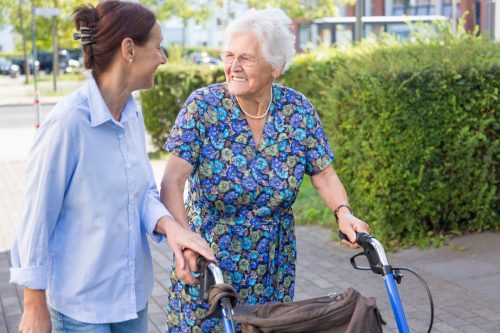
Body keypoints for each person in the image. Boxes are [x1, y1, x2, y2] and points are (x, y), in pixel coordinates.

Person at [9, 1, 214, 332]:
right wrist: (33, 305)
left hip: (131, 299)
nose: (163, 58)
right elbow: (36, 218)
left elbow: (143, 192)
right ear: (129, 49)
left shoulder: (131, 114)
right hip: (81, 308)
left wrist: (174, 229)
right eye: (158, 47)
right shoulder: (68, 124)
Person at [161, 7, 370, 332]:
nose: (233, 66)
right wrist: (184, 240)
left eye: (246, 58)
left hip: (274, 264)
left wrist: (343, 213)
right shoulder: (203, 107)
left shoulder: (297, 110)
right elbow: (172, 181)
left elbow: (324, 174)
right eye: (228, 55)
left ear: (277, 66)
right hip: (207, 264)